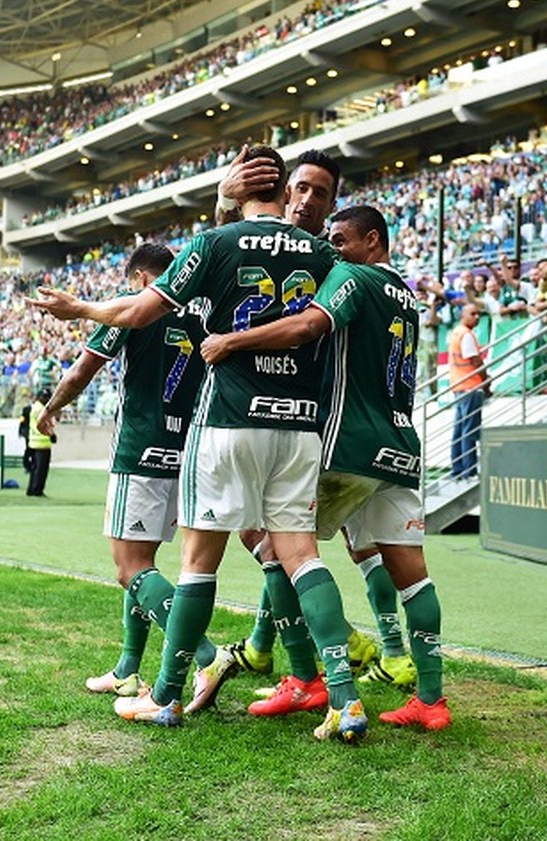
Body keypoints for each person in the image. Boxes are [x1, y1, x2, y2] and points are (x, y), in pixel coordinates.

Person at [29, 144, 367, 742]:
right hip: (300, 425)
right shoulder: (323, 252)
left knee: (196, 561)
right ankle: (343, 697)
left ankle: (165, 695)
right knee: (300, 554)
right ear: (287, 192)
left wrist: (78, 307)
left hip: (229, 420)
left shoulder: (213, 245)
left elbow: (138, 312)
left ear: (239, 188)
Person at [199, 205, 449, 730]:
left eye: (340, 239)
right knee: (413, 576)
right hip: (400, 444)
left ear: (372, 241)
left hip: (349, 442)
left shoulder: (352, 277)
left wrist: (230, 341)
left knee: (274, 542)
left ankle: (310, 679)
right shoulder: (406, 294)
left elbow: (307, 327)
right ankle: (431, 699)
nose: (331, 248)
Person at [34, 245, 216, 693]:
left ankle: (209, 656)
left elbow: (81, 373)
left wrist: (50, 410)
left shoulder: (133, 308)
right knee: (145, 566)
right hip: (186, 450)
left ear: (137, 278)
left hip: (140, 448)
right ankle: (127, 669)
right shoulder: (200, 312)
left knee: (128, 568)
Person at [447, 303, 488, 479]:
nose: (477, 316)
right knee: (469, 431)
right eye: (473, 313)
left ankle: (458, 469)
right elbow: (475, 361)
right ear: (463, 315)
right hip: (470, 386)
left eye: (479, 314)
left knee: (459, 430)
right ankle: (469, 470)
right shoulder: (466, 335)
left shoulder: (456, 332)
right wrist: (486, 381)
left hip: (459, 386)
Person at [26, 389, 55, 497]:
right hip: (42, 443)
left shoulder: (35, 407)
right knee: (41, 470)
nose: (47, 399)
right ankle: (37, 490)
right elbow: (45, 424)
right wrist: (52, 435)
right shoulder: (40, 409)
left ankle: (31, 489)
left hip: (35, 442)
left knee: (35, 468)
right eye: (46, 397)